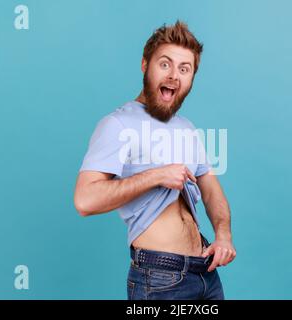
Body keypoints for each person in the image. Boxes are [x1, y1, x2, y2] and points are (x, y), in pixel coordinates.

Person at [74, 21, 235, 300]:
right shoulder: (118, 124)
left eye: (184, 69)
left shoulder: (186, 127)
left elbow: (210, 188)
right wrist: (156, 176)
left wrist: (223, 235)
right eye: (165, 64)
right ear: (145, 65)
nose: (174, 75)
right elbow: (85, 200)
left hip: (205, 271)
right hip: (160, 277)